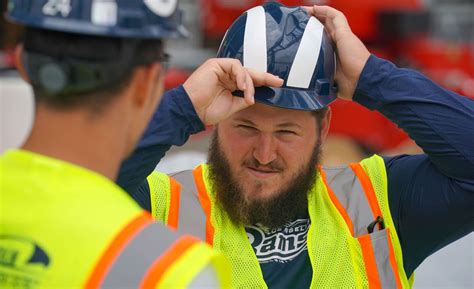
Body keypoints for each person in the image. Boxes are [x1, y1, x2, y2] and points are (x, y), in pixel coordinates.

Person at [117, 3, 474, 289]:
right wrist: (183, 107)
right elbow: (74, 190)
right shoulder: (161, 207)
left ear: (323, 131)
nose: (264, 153)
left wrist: (372, 78)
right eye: (246, 126)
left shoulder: (382, 204)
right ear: (216, 120)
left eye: (287, 132)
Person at [0, 1, 284, 288]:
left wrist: (182, 109)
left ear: (22, 63)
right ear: (147, 81)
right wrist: (180, 109)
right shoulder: (169, 272)